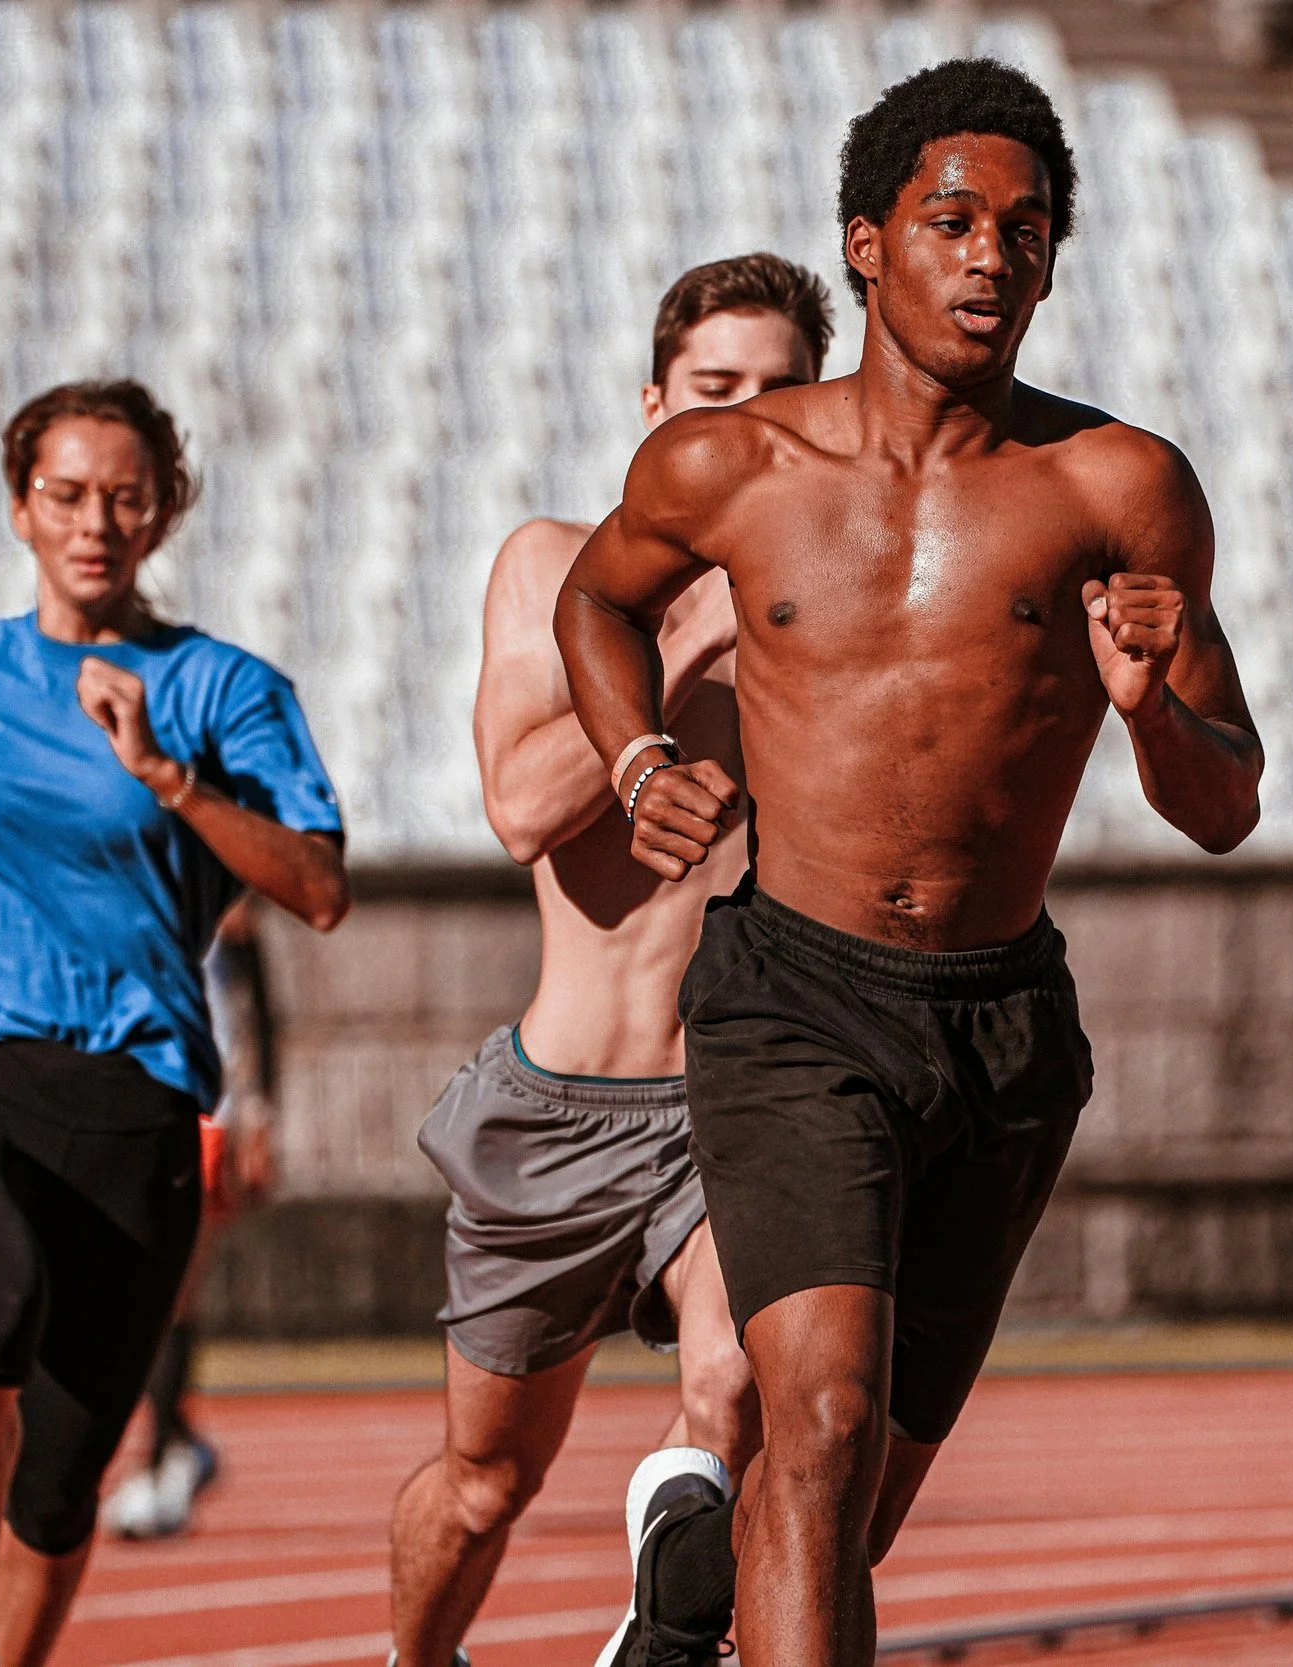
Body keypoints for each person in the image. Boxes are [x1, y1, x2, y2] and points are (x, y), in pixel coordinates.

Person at [555, 61, 1264, 1667]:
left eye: (1027, 230)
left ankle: (679, 1596)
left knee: (849, 1496)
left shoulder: (1121, 488)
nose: (992, 257)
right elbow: (594, 602)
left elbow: (1224, 801)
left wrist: (1156, 714)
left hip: (1003, 1027)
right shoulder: (731, 468)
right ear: (869, 243)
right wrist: (639, 756)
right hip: (794, 996)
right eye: (954, 220)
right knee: (819, 1425)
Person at [0, 380, 351, 1667]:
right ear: (19, 507)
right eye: (65, 494)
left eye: (125, 496)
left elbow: (319, 889)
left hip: (140, 1099)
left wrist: (170, 777)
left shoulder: (223, 689)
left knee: (59, 1480)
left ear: (165, 511)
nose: (94, 521)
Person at [387, 254, 834, 1667]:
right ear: (657, 405)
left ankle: (659, 1628)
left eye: (782, 395)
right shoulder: (550, 562)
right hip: (559, 1103)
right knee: (481, 1484)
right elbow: (522, 803)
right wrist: (694, 626)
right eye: (716, 393)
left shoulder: (833, 625)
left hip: (731, 1099)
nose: (747, 424)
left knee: (730, 1389)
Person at [102, 896, 279, 1541]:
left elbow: (257, 994)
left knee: (169, 1292)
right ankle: (178, 1442)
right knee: (129, 1293)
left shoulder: (212, 854)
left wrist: (261, 1110)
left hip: (203, 1106)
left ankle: (158, 1465)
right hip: (125, 1098)